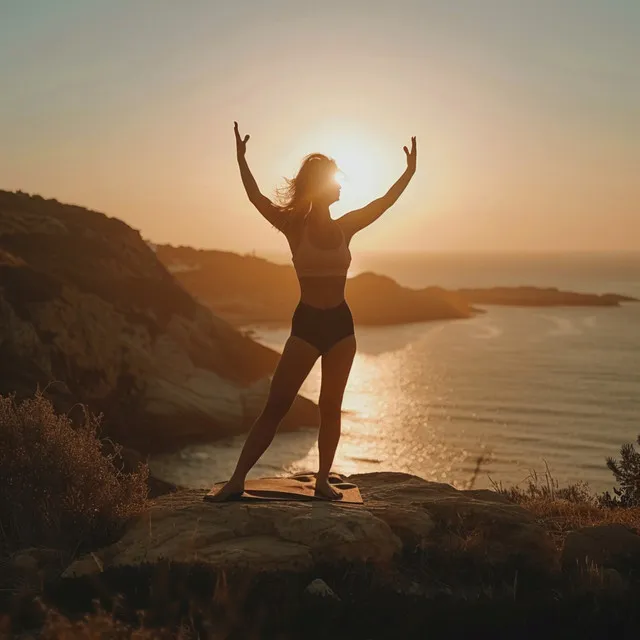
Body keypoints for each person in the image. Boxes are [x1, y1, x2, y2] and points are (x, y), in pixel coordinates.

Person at [211, 121, 417, 500]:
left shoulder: (347, 225)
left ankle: (322, 480)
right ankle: (237, 480)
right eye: (335, 179)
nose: (340, 185)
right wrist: (241, 160)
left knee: (330, 407)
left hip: (341, 324)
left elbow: (383, 203)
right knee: (277, 406)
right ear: (320, 185)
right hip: (306, 324)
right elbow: (257, 198)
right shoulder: (293, 227)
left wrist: (408, 172)